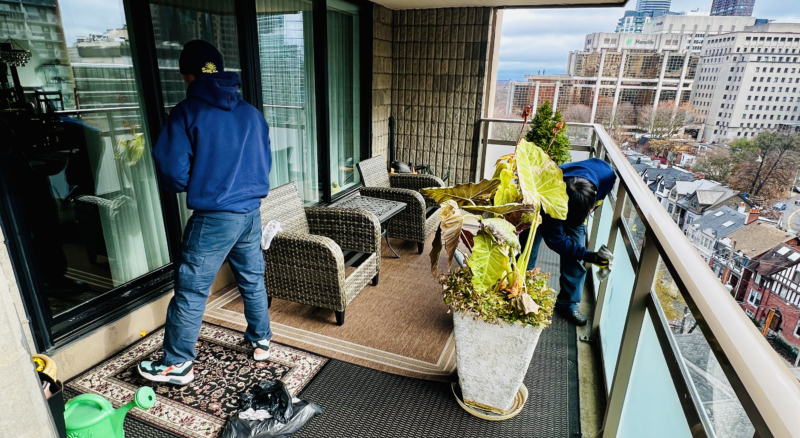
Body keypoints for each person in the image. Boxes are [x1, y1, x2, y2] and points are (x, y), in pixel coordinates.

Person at [138, 40, 273, 385]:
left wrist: (194, 180)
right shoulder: (252, 114)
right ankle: (261, 340)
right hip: (251, 212)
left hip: (215, 216)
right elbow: (264, 163)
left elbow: (171, 170)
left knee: (192, 288)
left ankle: (176, 364)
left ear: (187, 73)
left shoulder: (186, 112)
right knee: (251, 276)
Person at [519, 158, 616, 326]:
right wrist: (590, 256)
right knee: (529, 247)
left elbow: (594, 202)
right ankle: (522, 290)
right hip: (544, 204)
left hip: (580, 205)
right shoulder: (552, 193)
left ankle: (568, 304)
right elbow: (556, 240)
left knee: (575, 253)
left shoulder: (607, 175)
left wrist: (585, 253)